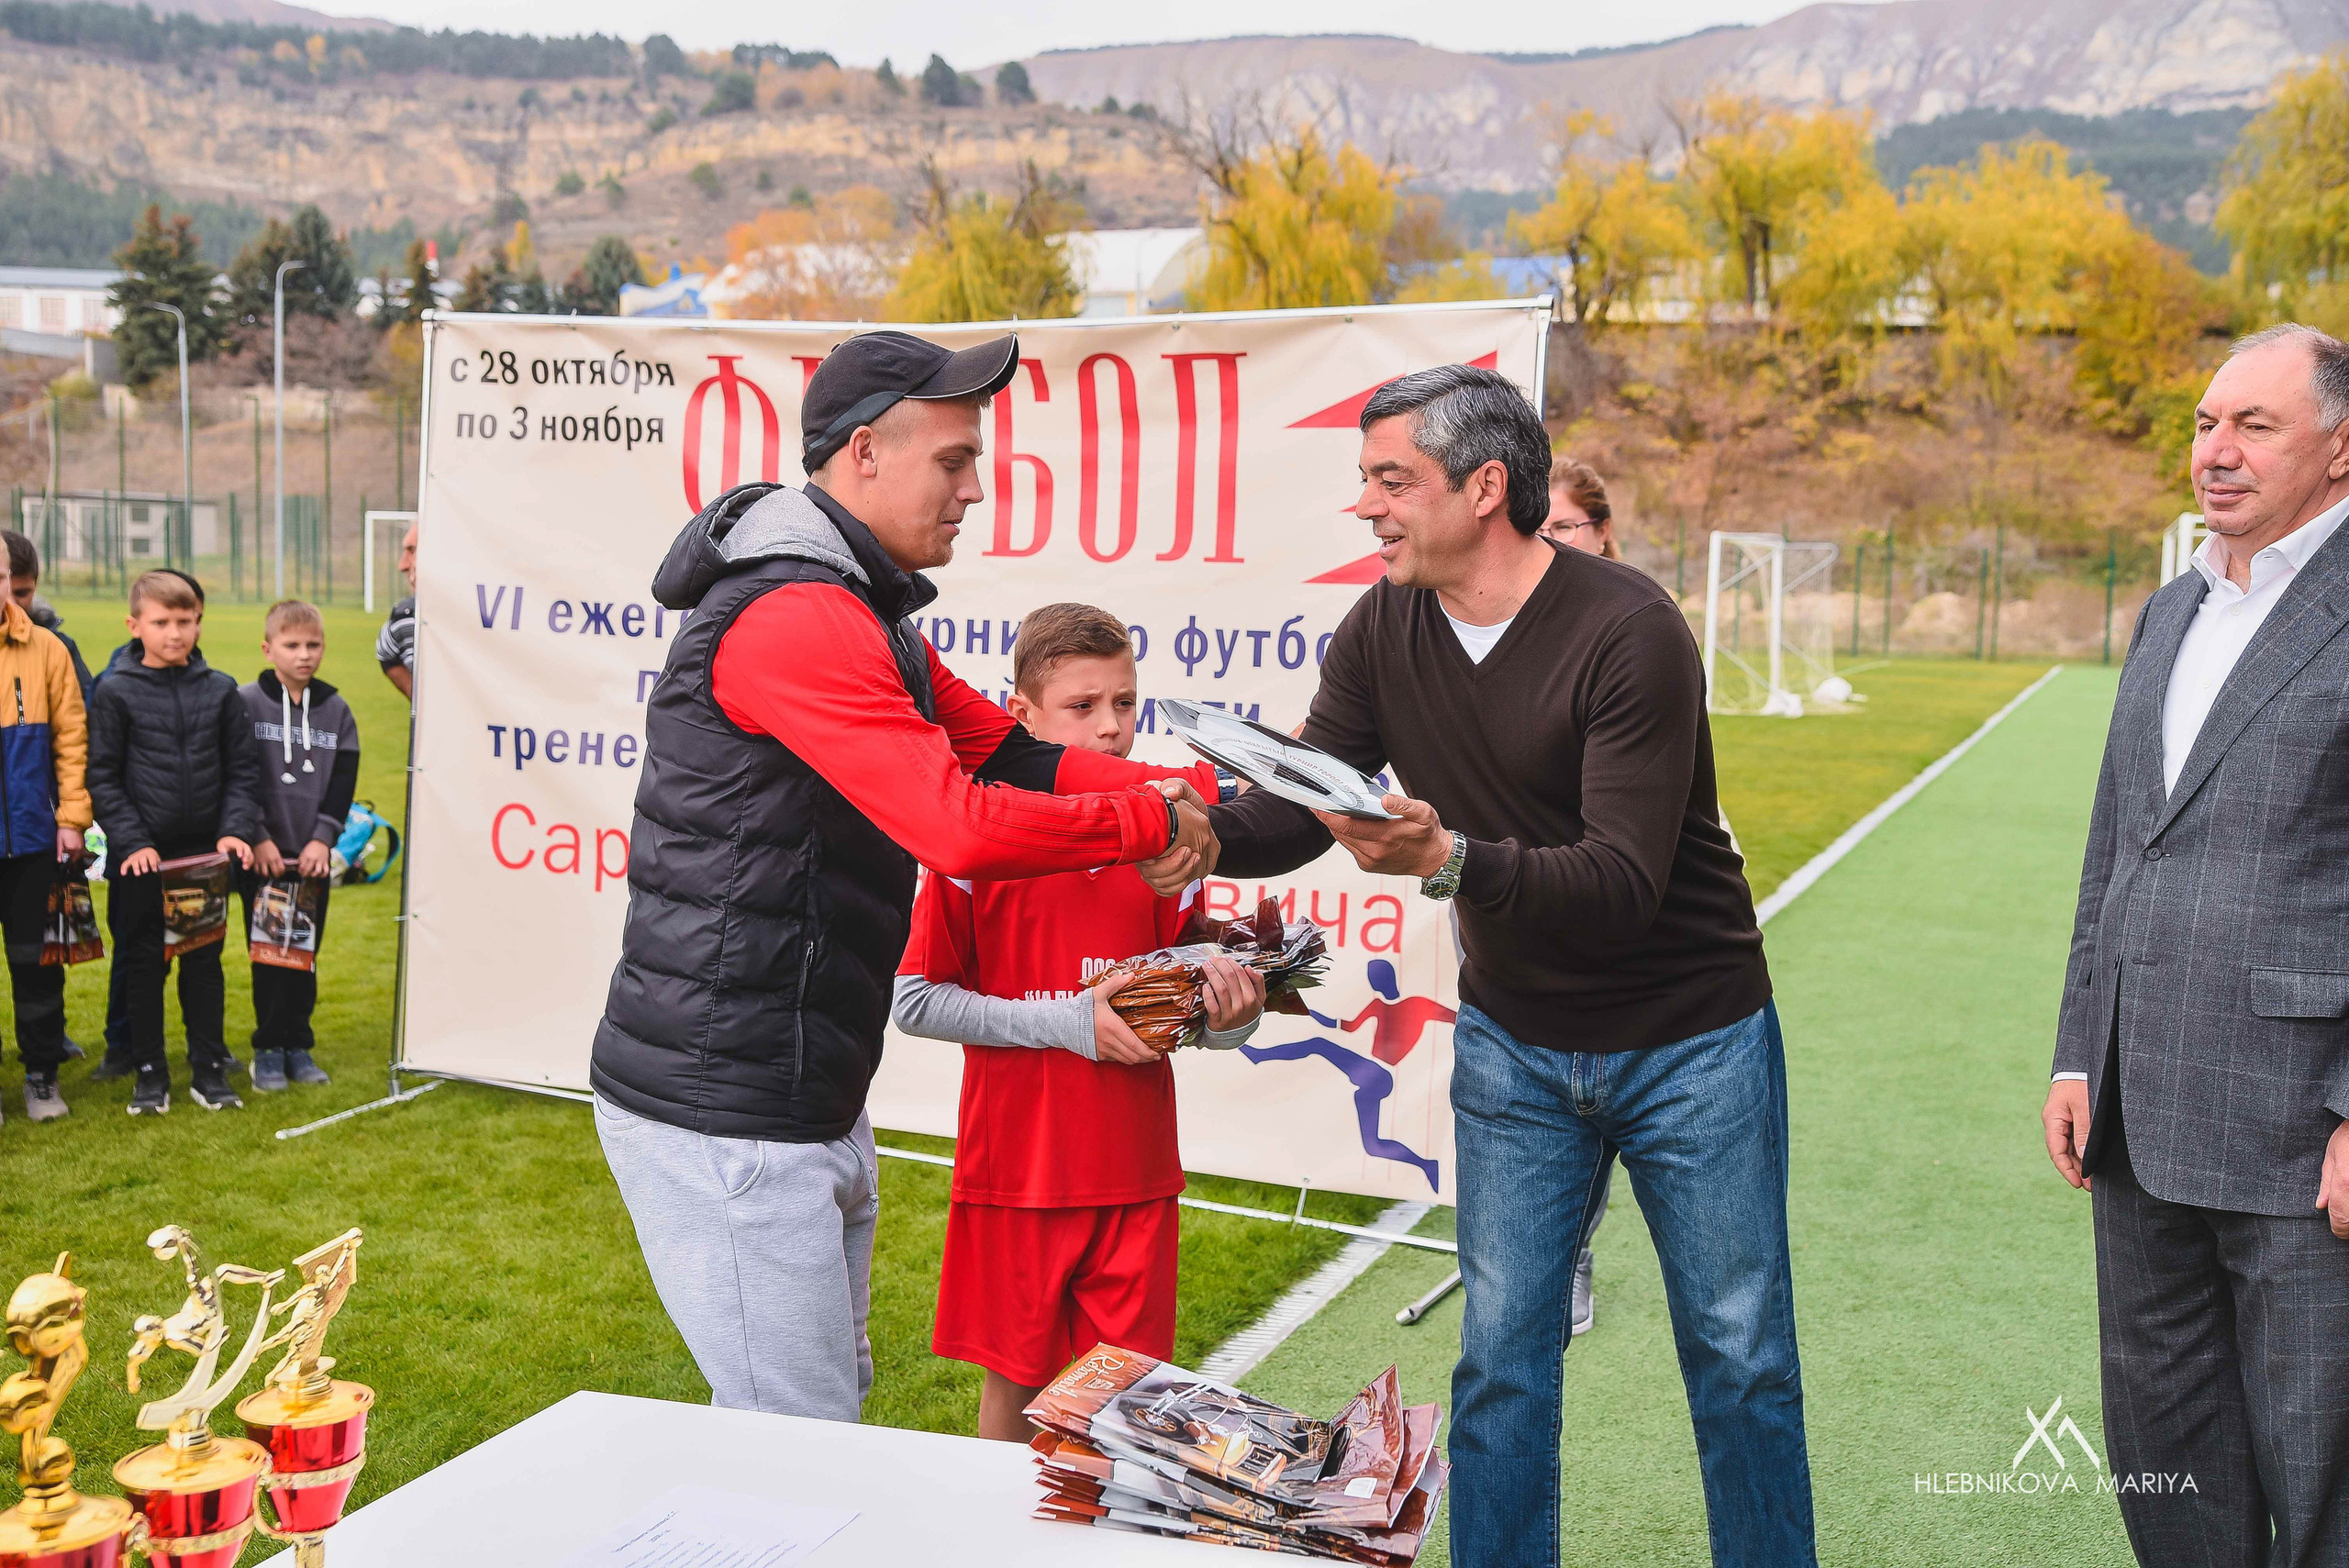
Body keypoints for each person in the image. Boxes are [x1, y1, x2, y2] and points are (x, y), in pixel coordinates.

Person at [1204, 364, 1812, 1567]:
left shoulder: (1629, 629)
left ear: (1486, 488)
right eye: (1366, 478)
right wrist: (1174, 829)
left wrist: (1449, 858)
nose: (1368, 506)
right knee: (1500, 1366)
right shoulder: (1382, 623)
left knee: (1743, 1361)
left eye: (1392, 479)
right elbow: (1298, 807)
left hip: (1692, 1042)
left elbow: (1621, 881)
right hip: (1515, 1048)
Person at [590, 328, 1215, 1423]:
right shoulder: (799, 616)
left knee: (829, 1415)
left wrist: (1212, 796)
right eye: (955, 460)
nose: (978, 488)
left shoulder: (861, 612)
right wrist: (1145, 811)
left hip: (796, 1090)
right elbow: (958, 824)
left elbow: (1016, 755)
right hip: (725, 1105)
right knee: (803, 1441)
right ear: (866, 451)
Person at [2045, 323, 2349, 1568]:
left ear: (2339, 447)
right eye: (2204, 424)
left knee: (2322, 1469)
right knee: (2167, 1460)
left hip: (2297, 1136)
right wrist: (2078, 1054)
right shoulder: (2173, 607)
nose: (2215, 452)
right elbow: (2121, 845)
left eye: (2254, 426)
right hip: (2138, 1113)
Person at [893, 601, 1265, 1442]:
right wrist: (1071, 1023)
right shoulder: (977, 840)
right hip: (1018, 1175)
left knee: (1124, 1417)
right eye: (1083, 706)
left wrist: (1231, 1015)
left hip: (1136, 1175)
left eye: (1125, 704)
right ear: (1018, 717)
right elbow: (915, 999)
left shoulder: (1171, 842)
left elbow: (1179, 1010)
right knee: (1018, 1401)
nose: (1111, 730)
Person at [86, 571, 261, 1117]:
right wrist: (133, 840)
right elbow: (104, 776)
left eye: (185, 622)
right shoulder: (114, 691)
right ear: (135, 626)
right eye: (161, 622)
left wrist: (233, 830)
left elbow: (242, 772)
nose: (175, 633)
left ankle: (208, 1072)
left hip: (204, 856)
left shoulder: (221, 690)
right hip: (141, 859)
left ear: (198, 623)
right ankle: (149, 1074)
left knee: (204, 965)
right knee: (143, 966)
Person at [1541, 456, 1622, 1334]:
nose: (1556, 541)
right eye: (1546, 527)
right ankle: (1564, 1251)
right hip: (1514, 903)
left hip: (1630, 911)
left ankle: (1571, 1243)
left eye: (1569, 526)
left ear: (1601, 530)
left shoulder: (1638, 621)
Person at [236, 600, 358, 1094]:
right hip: (263, 859)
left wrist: (323, 839)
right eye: (292, 646)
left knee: (303, 953)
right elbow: (240, 776)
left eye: (313, 645)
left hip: (311, 861)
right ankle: (267, 1048)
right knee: (269, 954)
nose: (304, 655)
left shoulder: (336, 708)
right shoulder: (246, 702)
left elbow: (344, 779)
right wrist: (259, 836)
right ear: (268, 649)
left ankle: (298, 1045)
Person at [0, 540, 91, 1125]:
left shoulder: (47, 648)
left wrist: (72, 819)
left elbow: (72, 741)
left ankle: (40, 1076)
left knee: (37, 963)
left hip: (34, 841)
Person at [3, 531, 94, 700]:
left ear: (35, 586)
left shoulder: (59, 646)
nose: (11, 604)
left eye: (21, 593)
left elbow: (83, 713)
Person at [1541, 457, 1621, 561]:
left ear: (1601, 531)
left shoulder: (1632, 577)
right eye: (1537, 530)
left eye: (1563, 527)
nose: (1546, 541)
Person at [375, 524, 417, 700]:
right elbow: (387, 654)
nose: (402, 565)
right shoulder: (405, 616)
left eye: (412, 550)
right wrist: (420, 701)